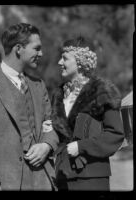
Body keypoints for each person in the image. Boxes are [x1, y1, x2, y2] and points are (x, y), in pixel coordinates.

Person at [0, 23, 59, 190]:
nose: (41, 53)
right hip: (4, 183)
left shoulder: (38, 85)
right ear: (19, 48)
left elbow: (50, 125)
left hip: (43, 181)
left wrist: (47, 145)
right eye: (36, 48)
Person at [51, 36, 124, 190]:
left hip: (92, 178)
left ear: (81, 61)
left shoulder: (102, 92)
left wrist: (82, 146)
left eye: (64, 58)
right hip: (62, 175)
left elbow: (115, 134)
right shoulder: (58, 94)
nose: (59, 62)